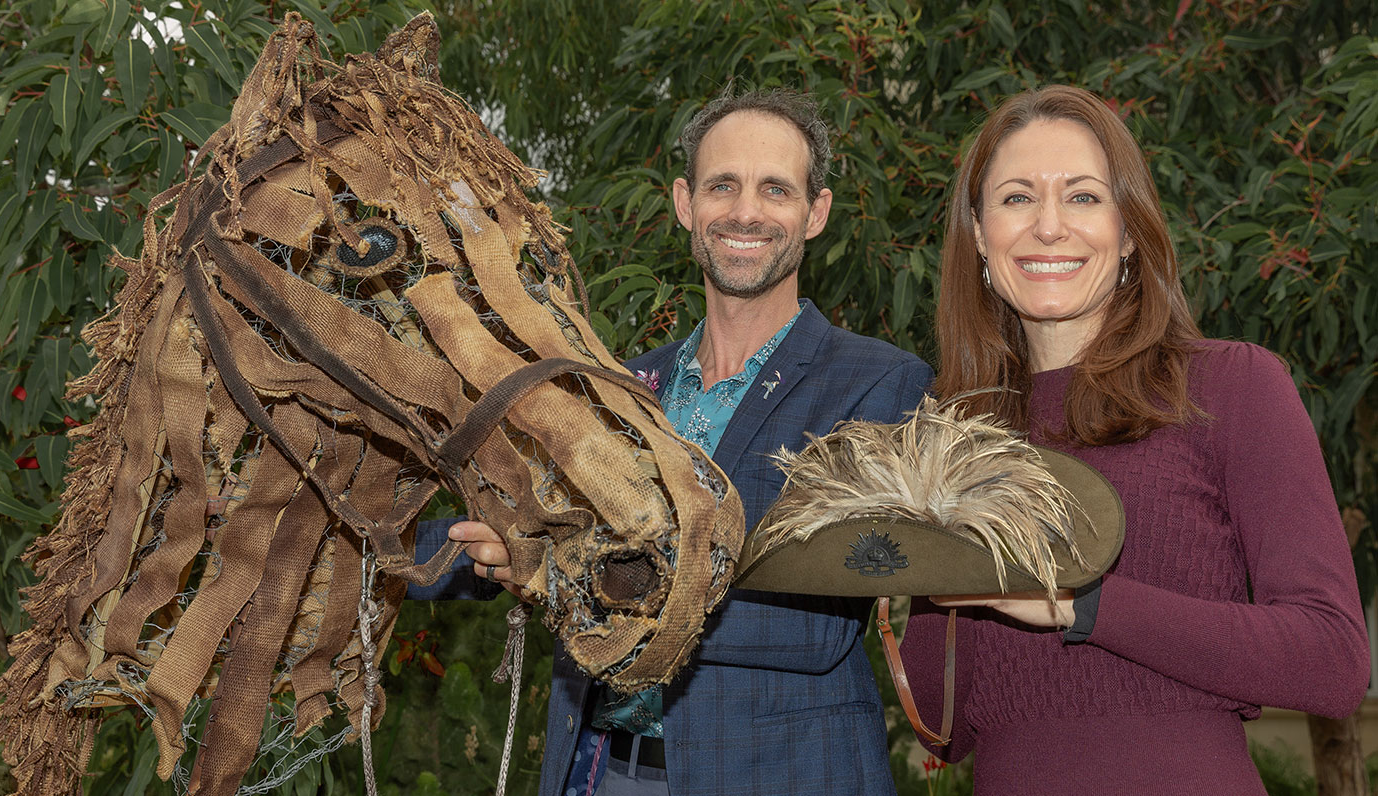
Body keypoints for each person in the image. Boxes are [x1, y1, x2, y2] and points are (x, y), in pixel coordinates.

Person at [410, 87, 934, 796]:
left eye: (774, 189)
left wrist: (567, 572)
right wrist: (351, 535)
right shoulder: (623, 387)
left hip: (775, 774)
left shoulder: (876, 384)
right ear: (687, 204)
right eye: (724, 185)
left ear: (815, 214)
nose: (745, 212)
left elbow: (816, 621)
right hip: (595, 772)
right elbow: (519, 521)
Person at [897, 84, 1369, 794]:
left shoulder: (1229, 387)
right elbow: (943, 725)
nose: (1049, 226)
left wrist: (1082, 603)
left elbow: (1332, 661)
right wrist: (919, 556)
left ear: (1127, 231)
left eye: (1083, 197)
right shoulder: (958, 431)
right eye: (1017, 197)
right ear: (979, 234)